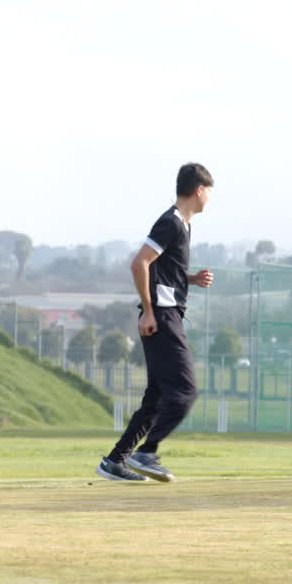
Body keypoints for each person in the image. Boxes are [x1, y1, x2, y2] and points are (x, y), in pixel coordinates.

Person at [95, 162, 215, 482]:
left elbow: (161, 270)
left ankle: (114, 462)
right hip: (162, 316)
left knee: (157, 397)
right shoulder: (171, 223)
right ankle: (147, 453)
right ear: (199, 190)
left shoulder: (183, 225)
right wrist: (149, 311)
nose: (209, 200)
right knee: (185, 391)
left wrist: (189, 279)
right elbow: (140, 263)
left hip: (165, 312)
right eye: (209, 193)